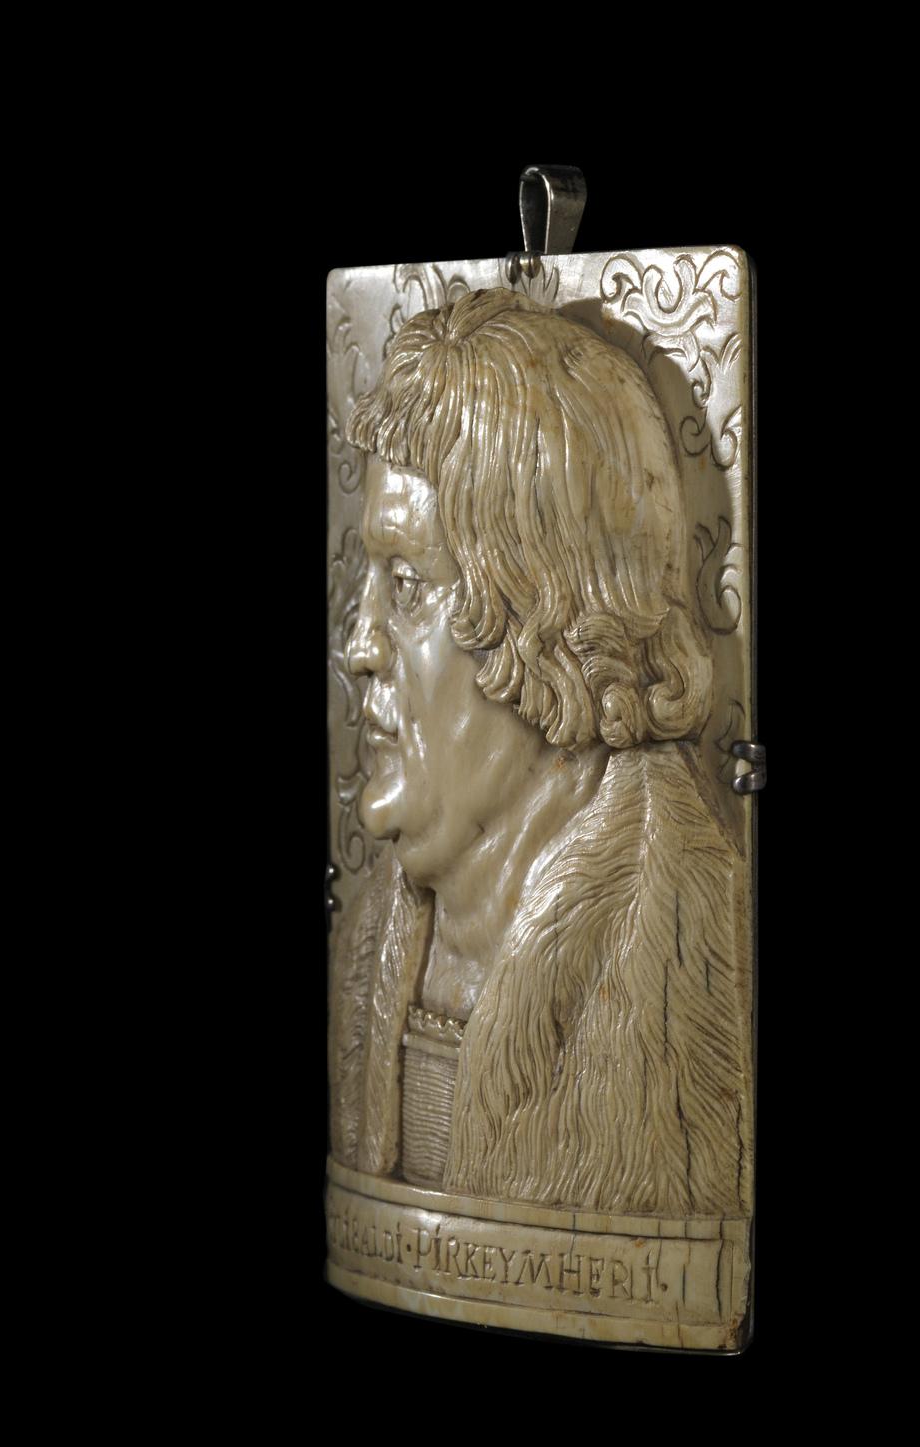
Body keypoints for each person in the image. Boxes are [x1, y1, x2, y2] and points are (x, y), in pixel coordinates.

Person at [328, 288, 751, 1217]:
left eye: (408, 584)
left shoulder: (690, 969)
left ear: (544, 623)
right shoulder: (368, 950)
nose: (357, 645)